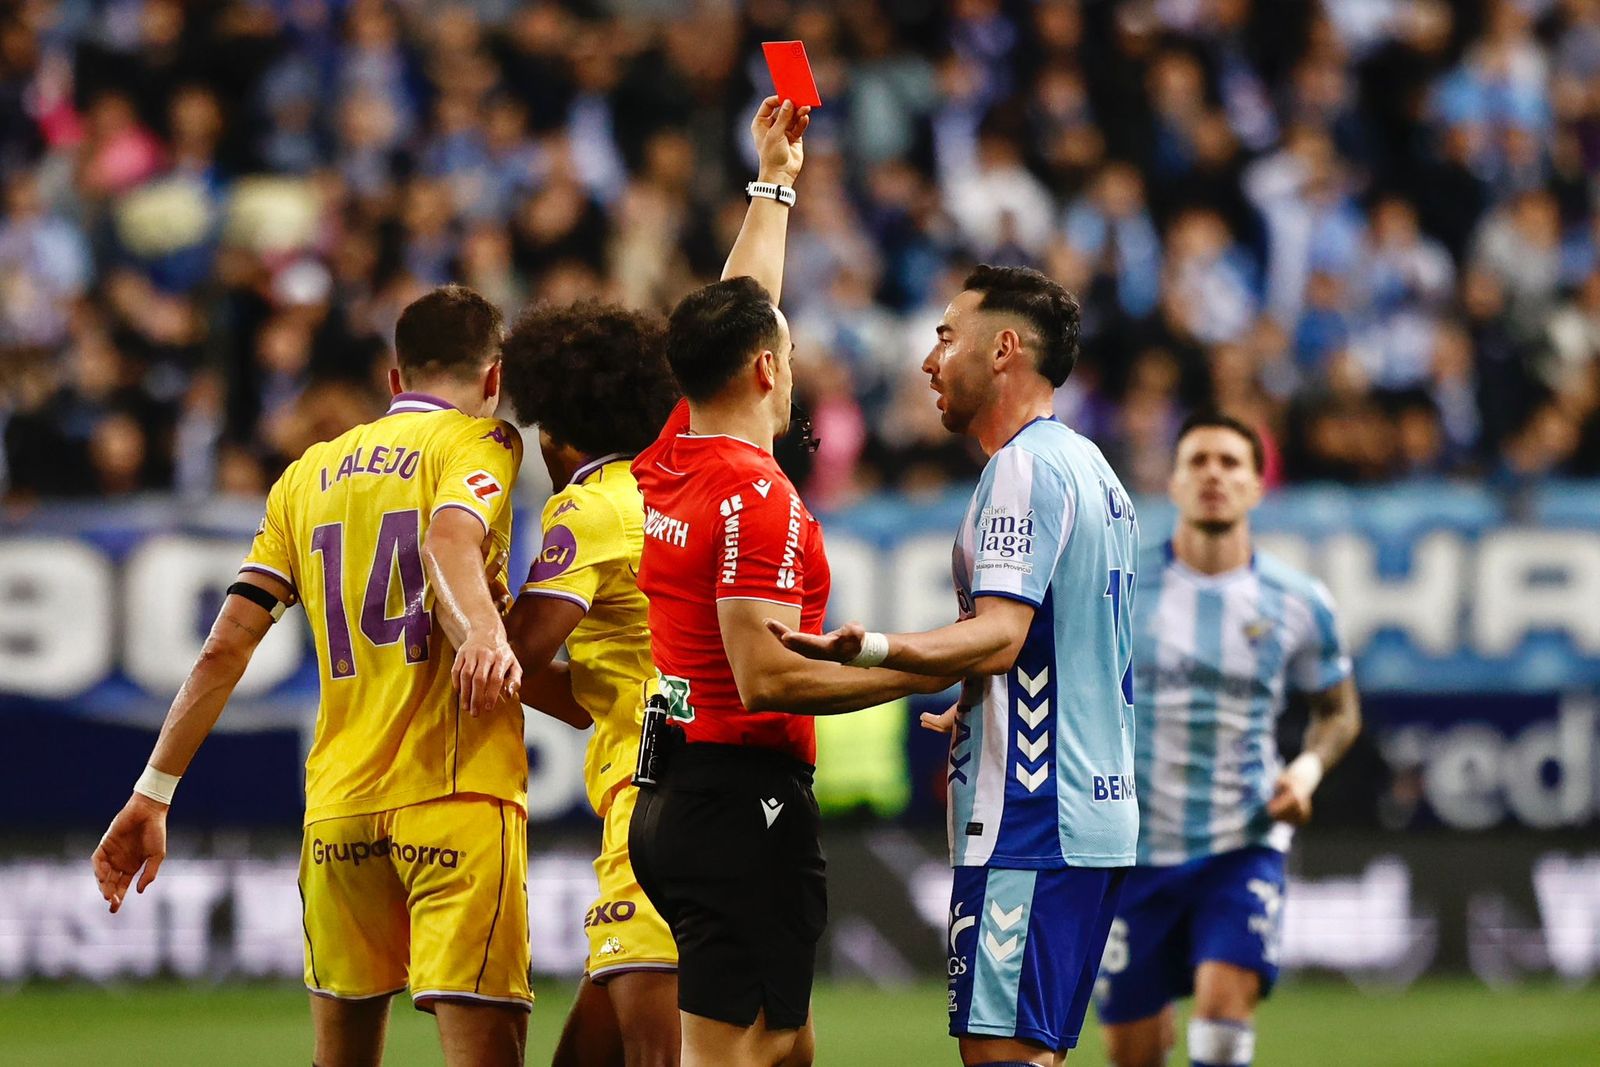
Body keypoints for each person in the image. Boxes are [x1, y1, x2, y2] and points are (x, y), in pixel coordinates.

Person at [91, 285, 530, 1067]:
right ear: (493, 379)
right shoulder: (480, 444)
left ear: (395, 380)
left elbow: (225, 646)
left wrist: (152, 791)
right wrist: (485, 633)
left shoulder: (306, 475)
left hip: (337, 814)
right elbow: (448, 540)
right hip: (456, 794)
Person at [627, 97, 955, 1067]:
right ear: (768, 371)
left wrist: (773, 181)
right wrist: (928, 668)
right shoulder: (753, 497)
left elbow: (738, 306)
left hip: (678, 792)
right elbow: (766, 675)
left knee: (787, 1043)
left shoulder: (674, 453)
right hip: (740, 801)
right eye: (789, 351)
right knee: (738, 1054)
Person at [773, 264, 1139, 1067]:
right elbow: (1046, 641)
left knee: (1001, 1058)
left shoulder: (1023, 467)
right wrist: (979, 687)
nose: (929, 361)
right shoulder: (1095, 470)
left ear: (1003, 348)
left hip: (1033, 816)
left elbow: (1003, 633)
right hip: (1089, 811)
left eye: (945, 336)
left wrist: (874, 647)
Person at [1093, 412, 1363, 1067]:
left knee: (1220, 1017)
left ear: (1257, 485)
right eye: (1199, 461)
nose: (1215, 473)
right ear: (1173, 482)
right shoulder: (1118, 585)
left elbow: (1338, 711)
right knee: (1135, 1052)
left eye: (1231, 462)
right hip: (1131, 850)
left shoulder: (1298, 600)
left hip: (1242, 841)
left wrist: (1304, 773)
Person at [496, 298, 683, 1067]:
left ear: (556, 431)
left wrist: (461, 601)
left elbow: (517, 650)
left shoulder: (588, 504)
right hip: (705, 781)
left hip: (651, 802)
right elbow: (586, 695)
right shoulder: (672, 489)